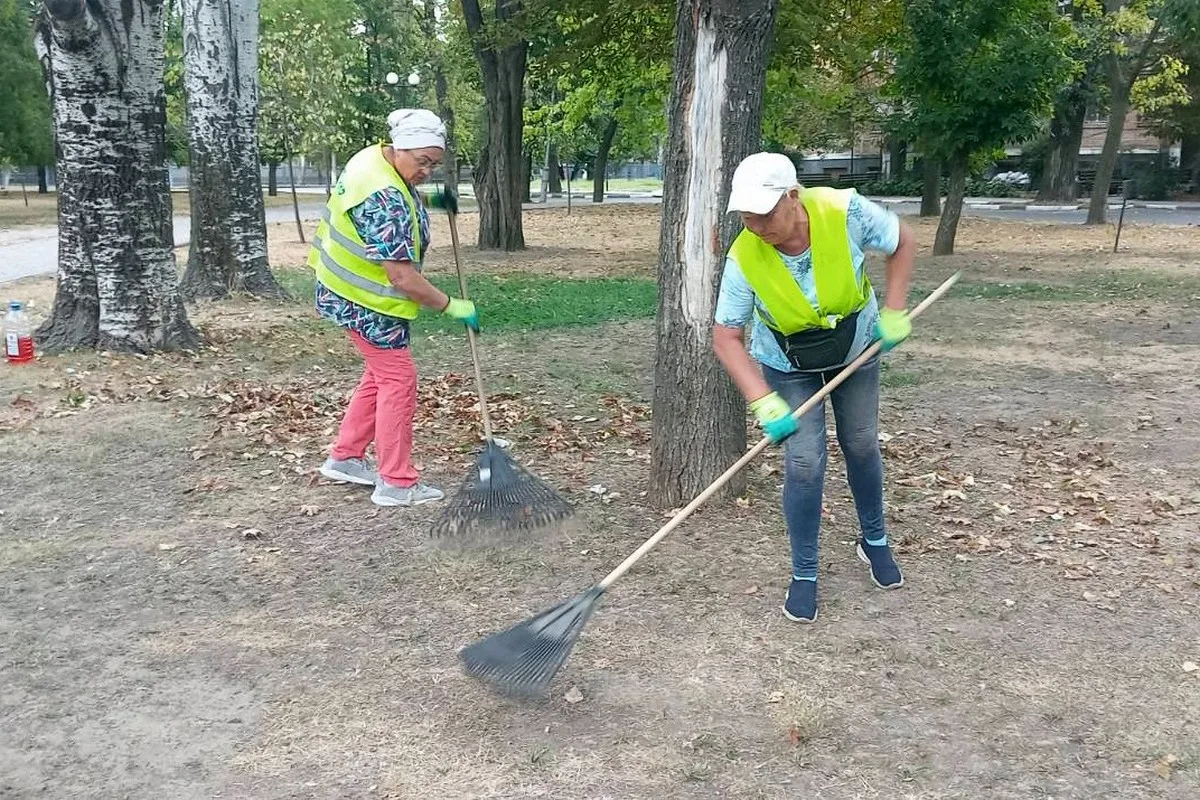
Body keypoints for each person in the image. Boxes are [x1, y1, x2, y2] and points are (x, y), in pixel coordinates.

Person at [712, 152, 917, 623]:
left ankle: (875, 540)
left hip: (857, 348)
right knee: (804, 462)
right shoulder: (744, 255)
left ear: (792, 197)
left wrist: (895, 309)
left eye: (764, 215)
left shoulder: (843, 212)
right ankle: (804, 571)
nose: (756, 226)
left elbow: (903, 242)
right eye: (746, 216)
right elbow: (726, 336)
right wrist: (762, 400)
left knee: (862, 442)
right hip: (788, 362)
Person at [308, 108, 479, 507]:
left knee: (380, 376)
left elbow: (395, 193)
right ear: (400, 149)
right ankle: (396, 482)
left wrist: (434, 199)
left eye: (434, 166)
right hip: (364, 300)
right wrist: (451, 306)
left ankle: (346, 457)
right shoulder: (386, 199)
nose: (427, 172)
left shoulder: (373, 159)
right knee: (398, 381)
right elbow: (401, 276)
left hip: (340, 288)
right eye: (423, 162)